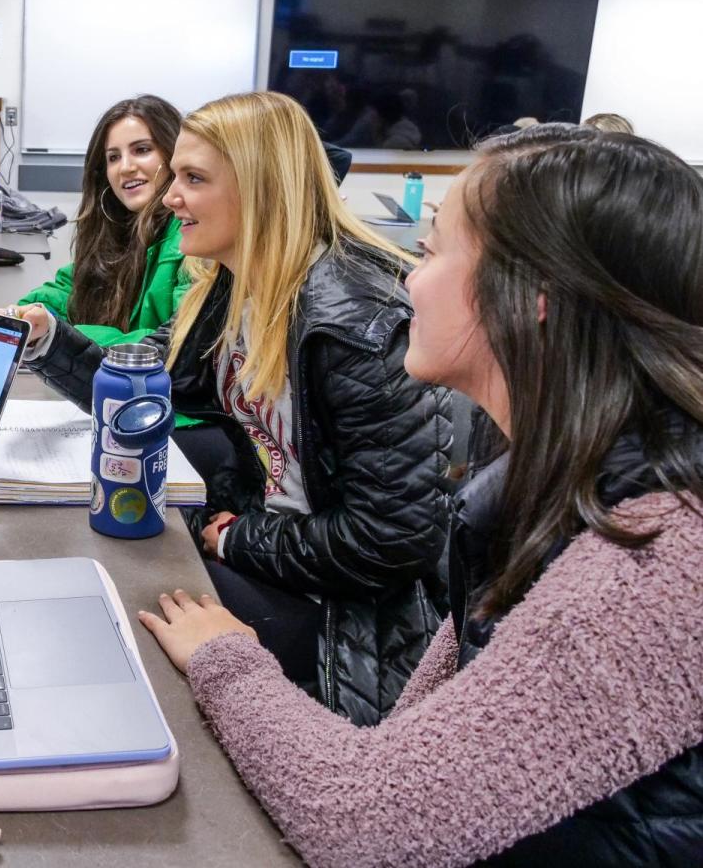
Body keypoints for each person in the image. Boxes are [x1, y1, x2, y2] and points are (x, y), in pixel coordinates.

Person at [137, 123, 703, 866]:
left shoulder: (652, 559)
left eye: (433, 253)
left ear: (532, 297)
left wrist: (228, 660)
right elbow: (425, 735)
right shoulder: (550, 480)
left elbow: (364, 825)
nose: (407, 278)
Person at [13, 91, 452, 726]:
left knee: (123, 622)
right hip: (278, 551)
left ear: (262, 189)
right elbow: (147, 381)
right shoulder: (232, 289)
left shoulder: (355, 323)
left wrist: (240, 538)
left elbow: (390, 542)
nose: (169, 197)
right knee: (103, 577)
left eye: (193, 179)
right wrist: (47, 339)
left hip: (349, 618)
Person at [12, 95, 192, 348]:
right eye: (113, 157)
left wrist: (61, 335)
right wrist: (28, 313)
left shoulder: (192, 236)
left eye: (142, 150)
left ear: (175, 155)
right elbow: (72, 289)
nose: (125, 167)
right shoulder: (119, 228)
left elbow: (173, 343)